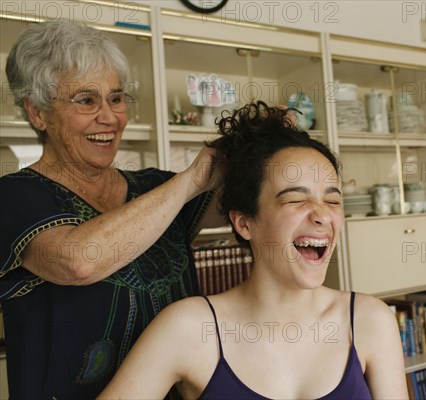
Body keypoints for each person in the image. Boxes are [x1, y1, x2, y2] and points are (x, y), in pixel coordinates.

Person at [99, 102, 409, 399]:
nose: (321, 215)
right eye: (295, 199)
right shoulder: (189, 328)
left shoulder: (370, 321)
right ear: (245, 223)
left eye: (332, 200)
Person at [0, 19, 219, 398]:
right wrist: (191, 179)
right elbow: (78, 261)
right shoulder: (13, 195)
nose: (110, 117)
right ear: (37, 113)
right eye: (86, 100)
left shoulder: (155, 187)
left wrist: (264, 146)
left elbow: (249, 214)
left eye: (116, 98)